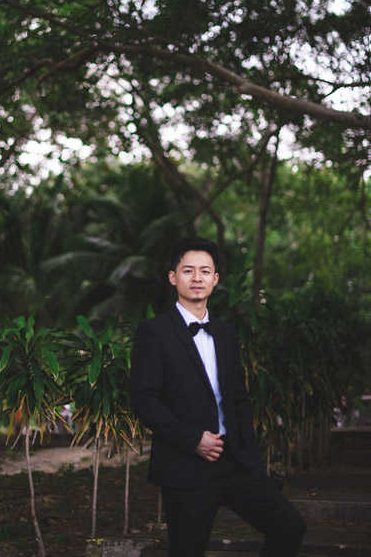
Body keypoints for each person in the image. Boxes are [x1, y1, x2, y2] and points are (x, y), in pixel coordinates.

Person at [130, 236, 306, 557]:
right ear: (173, 277)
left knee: (290, 526)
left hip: (236, 464)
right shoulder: (153, 332)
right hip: (186, 468)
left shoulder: (226, 333)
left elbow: (238, 395)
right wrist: (193, 439)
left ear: (215, 279)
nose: (197, 278)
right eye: (188, 270)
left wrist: (246, 449)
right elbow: (145, 400)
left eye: (205, 271)